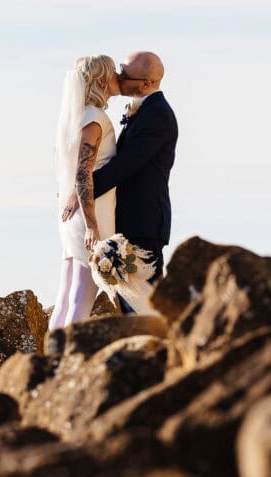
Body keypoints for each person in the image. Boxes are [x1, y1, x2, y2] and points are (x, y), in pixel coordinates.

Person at [61, 51, 178, 314]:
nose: (118, 77)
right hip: (127, 220)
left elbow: (122, 168)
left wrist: (83, 193)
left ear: (146, 84)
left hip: (143, 221)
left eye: (125, 74)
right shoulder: (143, 110)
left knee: (143, 302)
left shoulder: (157, 116)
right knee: (130, 302)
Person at [48, 55, 120, 331]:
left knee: (67, 291)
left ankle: (49, 358)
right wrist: (92, 226)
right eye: (113, 73)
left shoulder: (74, 118)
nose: (118, 77)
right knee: (83, 293)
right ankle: (63, 359)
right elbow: (83, 171)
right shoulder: (94, 119)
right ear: (101, 80)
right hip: (91, 211)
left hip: (71, 211)